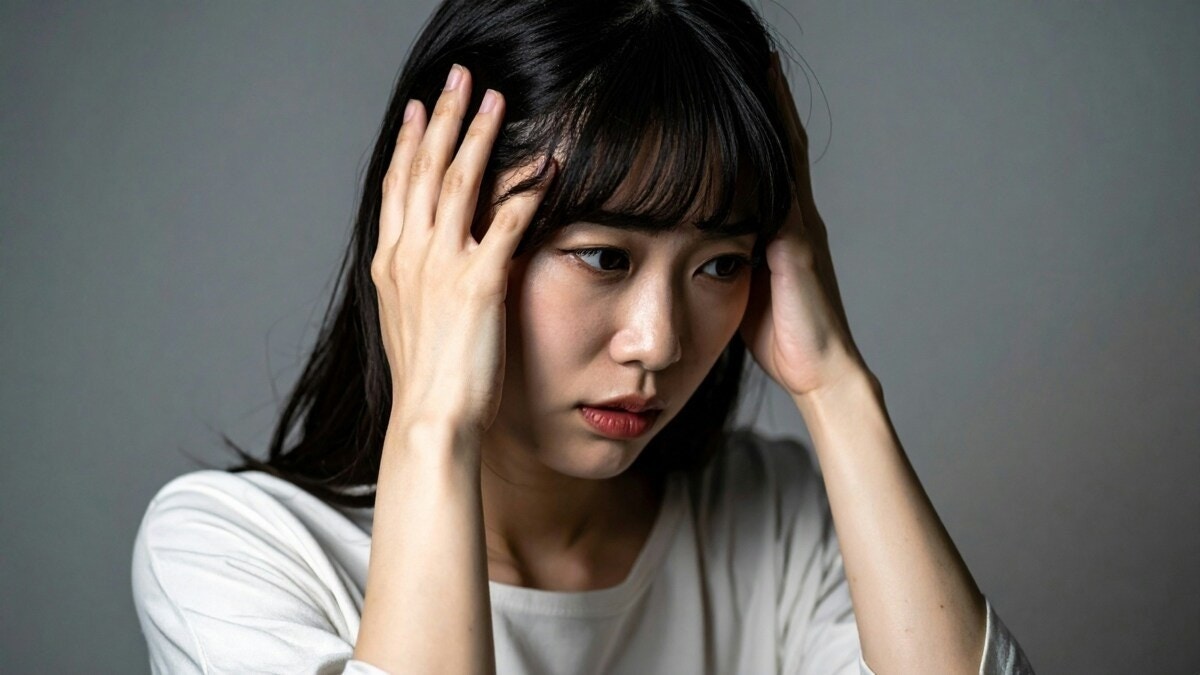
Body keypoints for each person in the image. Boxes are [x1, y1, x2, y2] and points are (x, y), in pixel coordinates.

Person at [131, 1, 1035, 673]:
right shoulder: (236, 552)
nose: (657, 342)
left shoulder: (776, 519)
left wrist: (834, 383)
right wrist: (434, 422)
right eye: (604, 256)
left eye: (720, 264)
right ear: (436, 239)